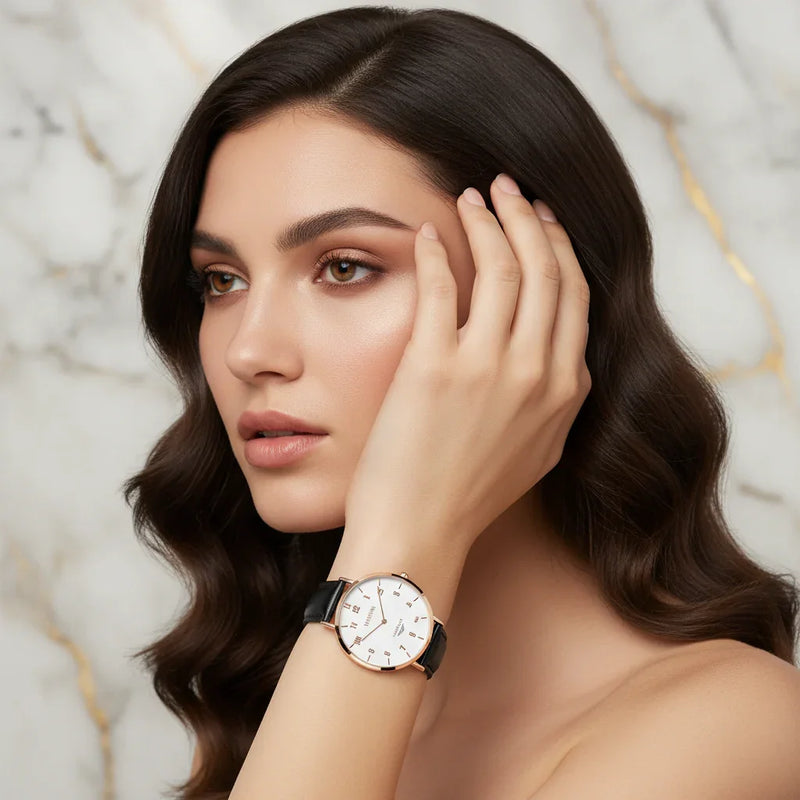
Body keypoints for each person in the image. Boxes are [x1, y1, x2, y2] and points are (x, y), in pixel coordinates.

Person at [123, 6, 800, 799]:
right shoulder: (298, 705)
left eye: (344, 267)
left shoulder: (733, 726)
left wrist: (406, 534)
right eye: (222, 281)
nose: (247, 351)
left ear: (546, 294)